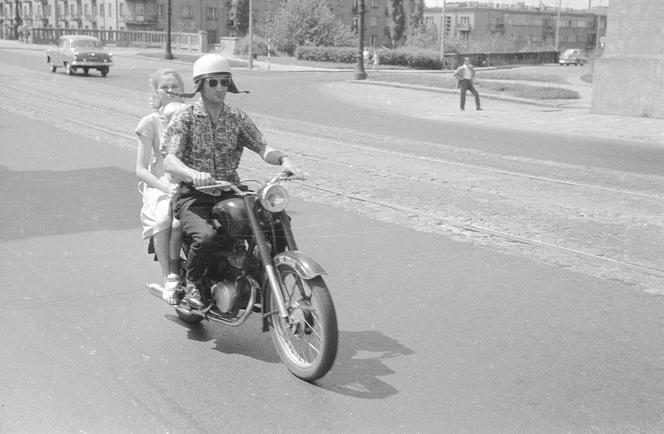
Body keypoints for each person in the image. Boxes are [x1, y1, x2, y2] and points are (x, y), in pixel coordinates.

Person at [161, 54, 301, 309]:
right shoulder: (187, 117)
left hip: (230, 190)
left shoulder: (237, 118)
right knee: (206, 237)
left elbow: (262, 147)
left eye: (224, 82)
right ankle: (194, 285)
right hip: (194, 195)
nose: (219, 88)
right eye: (212, 82)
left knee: (276, 219)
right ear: (200, 85)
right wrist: (193, 175)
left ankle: (276, 274)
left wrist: (283, 159)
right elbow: (170, 160)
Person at [135, 68, 186, 305]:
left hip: (187, 177)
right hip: (162, 182)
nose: (171, 91)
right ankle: (168, 278)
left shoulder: (190, 115)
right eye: (165, 87)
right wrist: (165, 188)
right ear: (156, 92)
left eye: (175, 86)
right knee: (164, 218)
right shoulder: (151, 122)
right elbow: (141, 169)